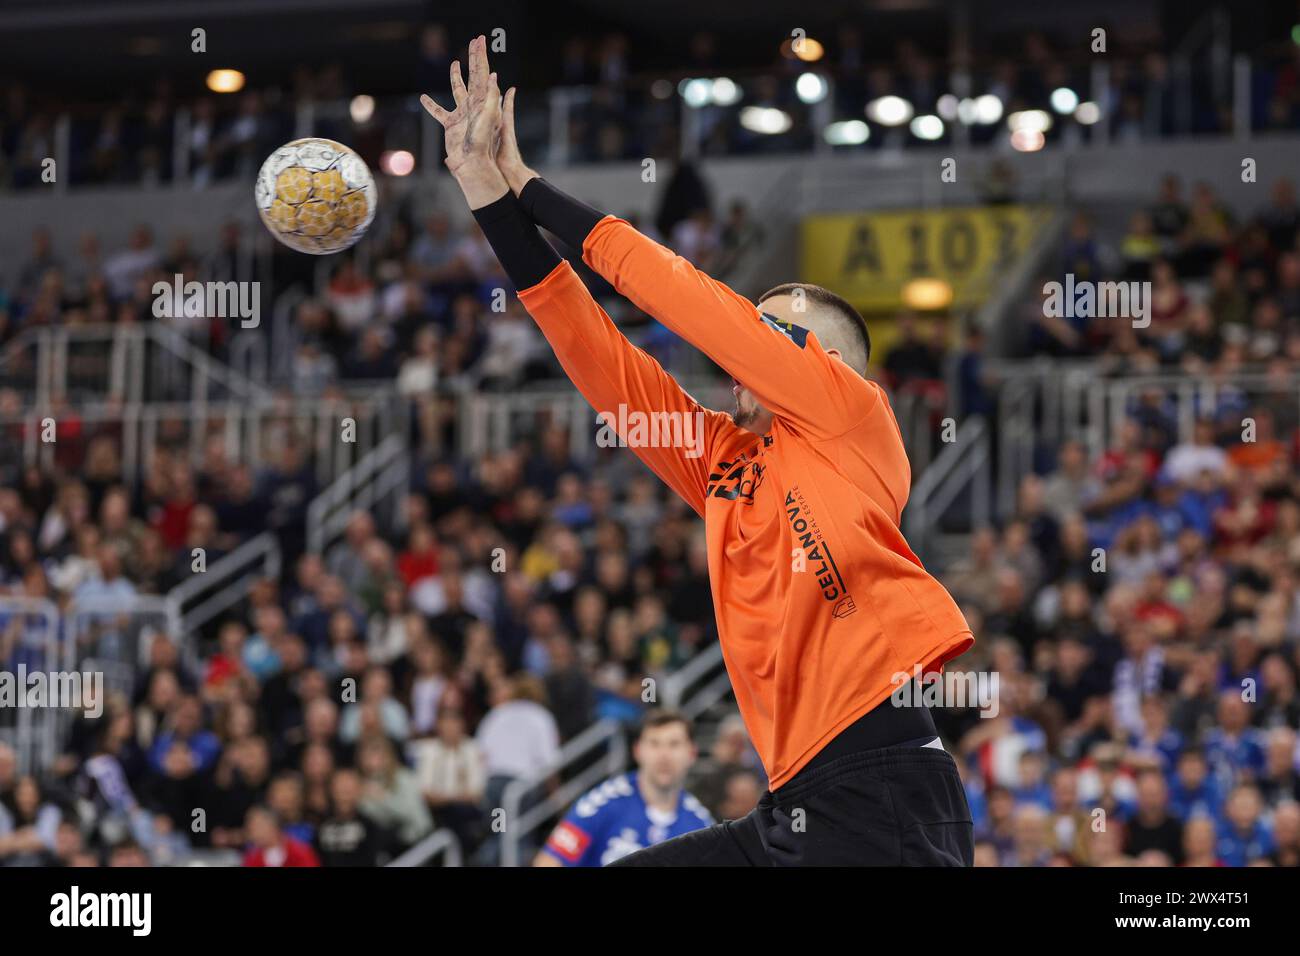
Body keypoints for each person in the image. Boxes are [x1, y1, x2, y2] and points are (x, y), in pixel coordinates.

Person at [421, 36, 975, 866]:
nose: (753, 336)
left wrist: (532, 184)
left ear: (832, 363)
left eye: (778, 326)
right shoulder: (723, 461)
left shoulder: (853, 417)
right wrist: (488, 195)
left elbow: (683, 298)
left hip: (884, 789)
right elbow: (597, 353)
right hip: (793, 805)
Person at [536, 710, 712, 866]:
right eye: (654, 744)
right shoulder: (602, 803)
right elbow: (549, 862)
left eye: (674, 744)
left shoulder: (700, 824)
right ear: (637, 751)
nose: (663, 755)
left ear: (692, 753)